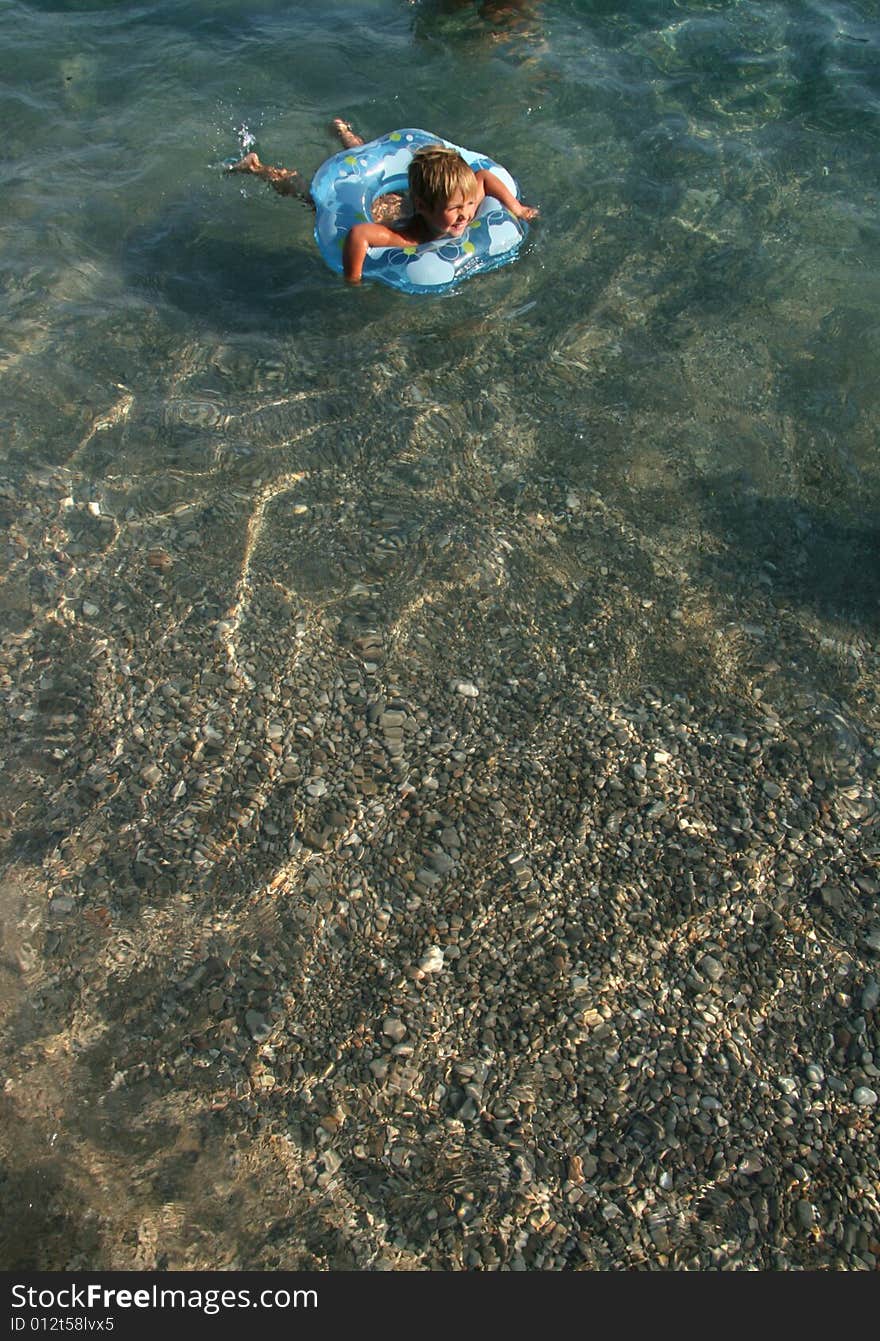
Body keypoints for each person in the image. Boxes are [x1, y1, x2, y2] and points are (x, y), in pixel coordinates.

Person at [227, 118, 538, 283]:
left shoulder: (465, 204)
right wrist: (353, 279)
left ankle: (345, 133)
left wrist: (516, 208)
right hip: (375, 211)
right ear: (423, 207)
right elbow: (359, 234)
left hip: (396, 199)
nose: (465, 215)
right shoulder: (405, 236)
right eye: (455, 209)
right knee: (309, 196)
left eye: (469, 205)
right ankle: (257, 168)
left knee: (364, 160)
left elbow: (482, 178)